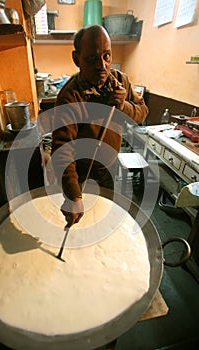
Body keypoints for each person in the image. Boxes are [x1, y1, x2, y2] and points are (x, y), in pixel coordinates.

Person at [51, 25, 148, 229]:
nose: (102, 66)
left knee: (101, 220)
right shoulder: (71, 96)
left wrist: (124, 106)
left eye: (107, 56)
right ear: (77, 59)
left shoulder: (120, 81)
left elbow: (142, 112)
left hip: (110, 167)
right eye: (92, 59)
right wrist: (74, 195)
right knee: (79, 222)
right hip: (81, 172)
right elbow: (62, 149)